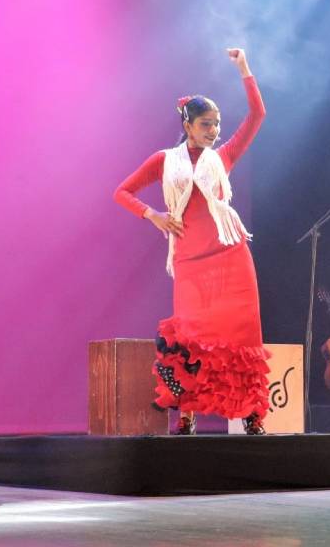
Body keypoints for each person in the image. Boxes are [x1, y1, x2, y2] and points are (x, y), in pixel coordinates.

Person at [113, 48, 269, 435]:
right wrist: (155, 216)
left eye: (216, 124)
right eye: (205, 124)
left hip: (231, 257)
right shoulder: (165, 160)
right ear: (187, 125)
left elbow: (257, 116)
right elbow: (123, 192)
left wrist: (244, 69)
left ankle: (251, 413)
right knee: (192, 340)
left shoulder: (224, 157)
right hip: (190, 262)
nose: (214, 131)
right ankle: (186, 415)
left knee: (241, 336)